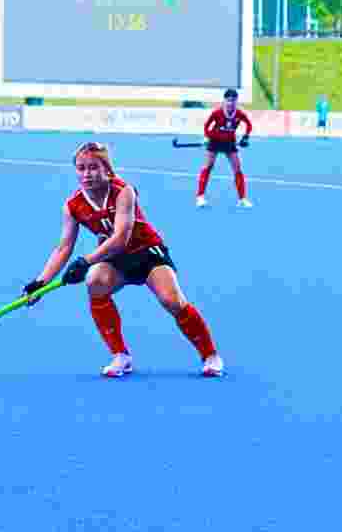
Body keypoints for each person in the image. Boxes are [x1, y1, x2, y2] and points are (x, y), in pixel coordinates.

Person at [24, 142, 224, 379]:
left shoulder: (123, 191)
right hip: (114, 260)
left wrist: (86, 261)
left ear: (106, 169)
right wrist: (41, 282)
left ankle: (210, 355)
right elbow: (63, 247)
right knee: (95, 281)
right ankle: (121, 356)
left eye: (93, 167)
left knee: (172, 301)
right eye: (81, 168)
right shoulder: (73, 205)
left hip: (147, 253)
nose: (86, 173)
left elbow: (121, 238)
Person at [196, 89, 253, 209]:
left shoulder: (239, 114)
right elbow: (206, 126)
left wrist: (245, 137)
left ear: (236, 101)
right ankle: (200, 197)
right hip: (215, 142)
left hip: (229, 143)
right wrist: (207, 136)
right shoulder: (217, 113)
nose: (231, 103)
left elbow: (249, 125)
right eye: (228, 100)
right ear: (225, 100)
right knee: (208, 167)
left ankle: (242, 199)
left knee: (237, 168)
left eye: (233, 100)